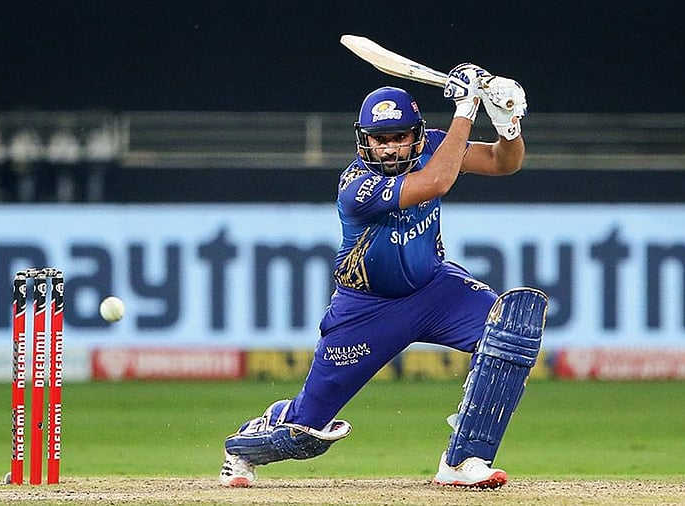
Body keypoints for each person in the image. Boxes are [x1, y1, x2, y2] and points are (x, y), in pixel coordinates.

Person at [219, 64, 549, 489]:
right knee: (303, 435)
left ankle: (463, 459)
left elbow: (505, 164)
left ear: (416, 134)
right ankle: (243, 446)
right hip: (367, 310)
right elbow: (436, 182)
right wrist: (467, 107)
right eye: (380, 140)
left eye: (399, 138)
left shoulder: (434, 145)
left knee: (510, 332)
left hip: (436, 290)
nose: (390, 150)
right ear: (364, 140)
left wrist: (507, 123)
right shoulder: (356, 187)